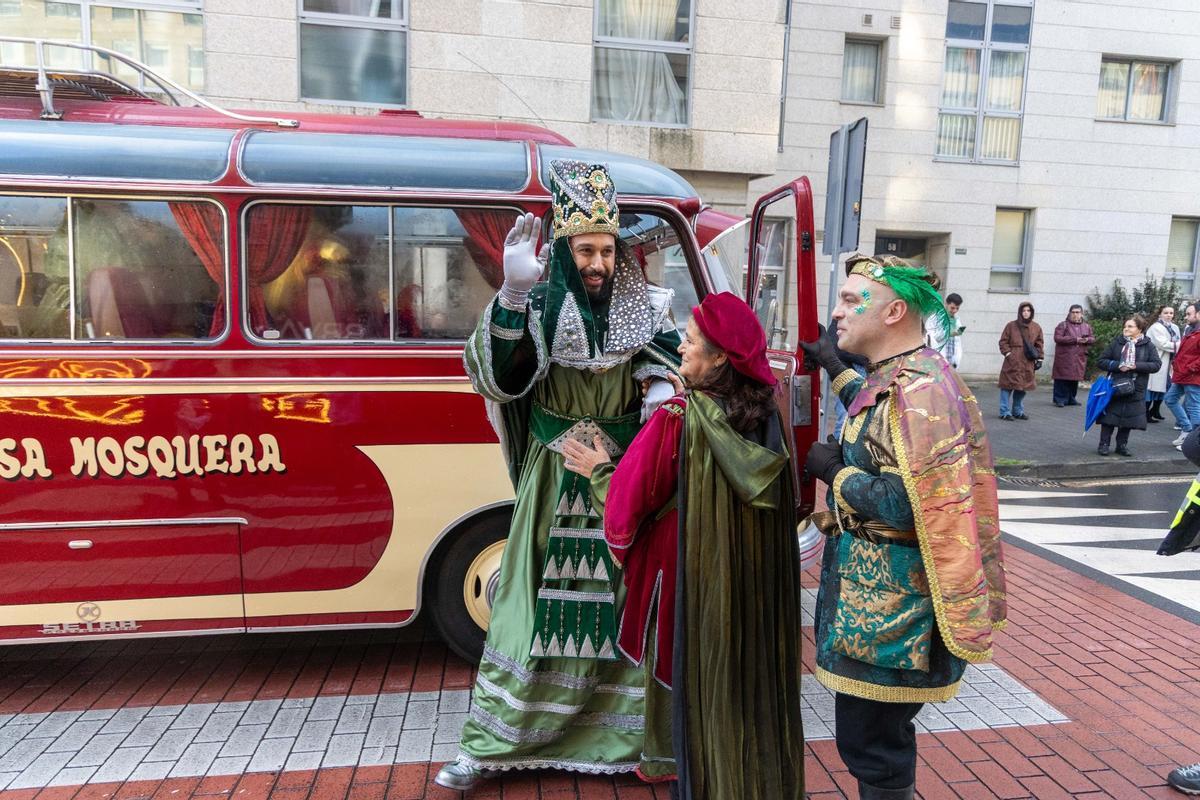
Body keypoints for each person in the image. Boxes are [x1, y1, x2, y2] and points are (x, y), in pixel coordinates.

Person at [436, 160, 683, 790]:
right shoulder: (540, 305)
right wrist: (513, 296)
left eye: (606, 248)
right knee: (526, 607)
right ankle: (492, 746)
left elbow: (677, 369)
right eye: (585, 249)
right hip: (554, 482)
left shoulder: (646, 305)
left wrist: (663, 393)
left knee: (625, 610)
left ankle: (626, 743)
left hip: (620, 482)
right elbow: (496, 377)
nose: (598, 262)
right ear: (564, 249)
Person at [562, 292, 805, 800]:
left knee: (687, 669)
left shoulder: (679, 417)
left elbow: (630, 498)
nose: (681, 351)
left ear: (719, 357)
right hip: (749, 574)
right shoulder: (766, 414)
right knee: (739, 669)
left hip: (686, 569)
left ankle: (687, 770)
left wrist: (599, 470)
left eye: (691, 343)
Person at [800, 254, 1006, 800]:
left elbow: (907, 502)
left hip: (896, 616)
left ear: (893, 312)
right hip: (879, 602)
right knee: (871, 743)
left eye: (850, 301)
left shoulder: (922, 391)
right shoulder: (906, 376)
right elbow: (881, 420)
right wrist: (834, 367)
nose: (837, 313)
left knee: (875, 748)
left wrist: (833, 472)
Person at [1094, 316, 1160, 457]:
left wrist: (1136, 366)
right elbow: (1101, 361)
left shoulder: (1148, 345)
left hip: (1136, 387)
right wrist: (1118, 366)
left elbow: (1156, 365)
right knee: (1109, 417)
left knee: (1129, 418)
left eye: (1130, 326)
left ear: (1139, 329)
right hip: (1115, 385)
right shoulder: (1117, 343)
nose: (1126, 329)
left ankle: (1122, 445)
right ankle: (1104, 444)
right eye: (1125, 326)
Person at [997, 302, 1043, 421]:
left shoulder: (1036, 327)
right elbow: (1003, 341)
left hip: (1027, 362)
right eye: (1024, 310)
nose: (1026, 313)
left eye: (1028, 310)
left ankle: (1018, 411)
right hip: (1013, 360)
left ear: (1031, 312)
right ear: (1020, 312)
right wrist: (1008, 354)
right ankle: (1004, 412)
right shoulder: (1011, 326)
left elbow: (1039, 344)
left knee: (1022, 387)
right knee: (1006, 386)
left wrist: (1039, 358)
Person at [1165, 304, 1200, 437]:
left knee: (1193, 407)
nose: (1186, 317)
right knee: (1170, 399)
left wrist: (1190, 368)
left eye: (1188, 314)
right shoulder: (1190, 331)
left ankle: (1194, 440)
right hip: (1182, 375)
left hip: (1192, 376)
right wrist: (1177, 364)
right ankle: (1187, 429)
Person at [1051, 304, 1094, 407]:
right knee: (1062, 378)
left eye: (1077, 312)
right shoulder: (1063, 325)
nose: (1075, 314)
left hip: (1079, 357)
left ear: (1081, 314)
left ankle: (1071, 398)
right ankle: (1060, 399)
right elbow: (1058, 338)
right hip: (1064, 357)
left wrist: (1087, 340)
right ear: (1069, 313)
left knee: (1074, 378)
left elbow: (1092, 338)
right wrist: (1075, 339)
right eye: (1073, 312)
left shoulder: (1086, 326)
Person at [1146, 305, 1181, 422]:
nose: (1169, 315)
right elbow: (1163, 344)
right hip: (1158, 360)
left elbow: (1178, 340)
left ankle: (1155, 410)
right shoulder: (1156, 327)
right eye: (1166, 313)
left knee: (1164, 387)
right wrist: (1182, 345)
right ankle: (1145, 413)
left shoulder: (1174, 327)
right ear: (1160, 314)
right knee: (1152, 388)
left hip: (1169, 361)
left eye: (1171, 313)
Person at [924, 292, 964, 368]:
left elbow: (957, 342)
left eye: (957, 308)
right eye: (952, 308)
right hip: (939, 360)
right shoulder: (935, 318)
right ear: (946, 304)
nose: (955, 311)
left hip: (952, 361)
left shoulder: (957, 320)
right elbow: (931, 337)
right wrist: (948, 333)